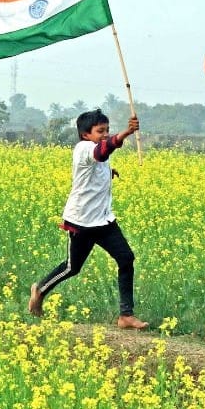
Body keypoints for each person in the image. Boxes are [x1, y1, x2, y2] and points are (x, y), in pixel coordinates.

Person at [29, 108, 148, 330]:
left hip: (103, 221)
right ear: (85, 134)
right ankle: (40, 289)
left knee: (126, 258)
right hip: (82, 222)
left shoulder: (97, 150)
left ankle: (126, 315)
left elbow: (103, 156)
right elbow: (102, 152)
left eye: (107, 130)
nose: (105, 134)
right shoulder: (84, 148)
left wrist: (109, 174)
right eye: (100, 131)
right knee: (72, 268)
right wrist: (126, 133)